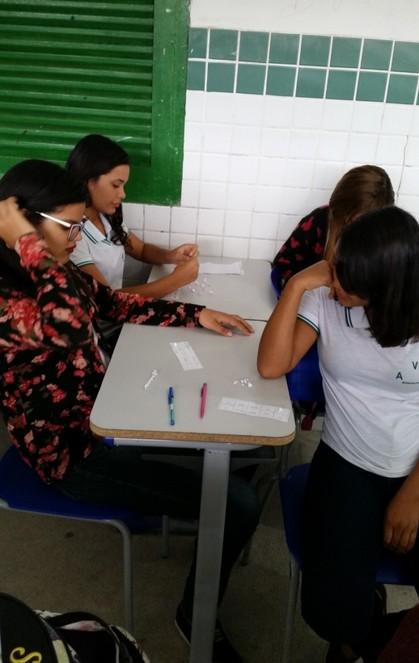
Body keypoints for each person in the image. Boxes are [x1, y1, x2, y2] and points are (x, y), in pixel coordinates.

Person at [0, 159, 260, 663]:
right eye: (69, 226)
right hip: (74, 457)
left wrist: (195, 314)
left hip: (109, 418)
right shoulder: (9, 300)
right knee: (239, 503)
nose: (78, 236)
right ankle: (195, 616)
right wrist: (27, 241)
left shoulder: (62, 276)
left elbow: (113, 303)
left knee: (233, 464)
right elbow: (69, 323)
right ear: (27, 228)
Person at [258, 206, 419, 662]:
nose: (337, 283)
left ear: (388, 286)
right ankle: (359, 638)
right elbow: (272, 364)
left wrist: (412, 493)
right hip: (347, 465)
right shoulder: (326, 299)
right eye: (337, 269)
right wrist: (295, 285)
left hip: (415, 468)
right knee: (333, 615)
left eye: (350, 280)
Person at [66, 134, 199, 297]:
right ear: (89, 180)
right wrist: (176, 280)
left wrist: (171, 256)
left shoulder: (107, 217)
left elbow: (141, 250)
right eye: (116, 185)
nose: (122, 194)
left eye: (123, 186)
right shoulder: (71, 235)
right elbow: (106, 299)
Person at [271, 165, 395, 290]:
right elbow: (281, 266)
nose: (350, 229)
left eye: (360, 225)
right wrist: (302, 282)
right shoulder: (319, 221)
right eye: (346, 220)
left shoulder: (388, 244)